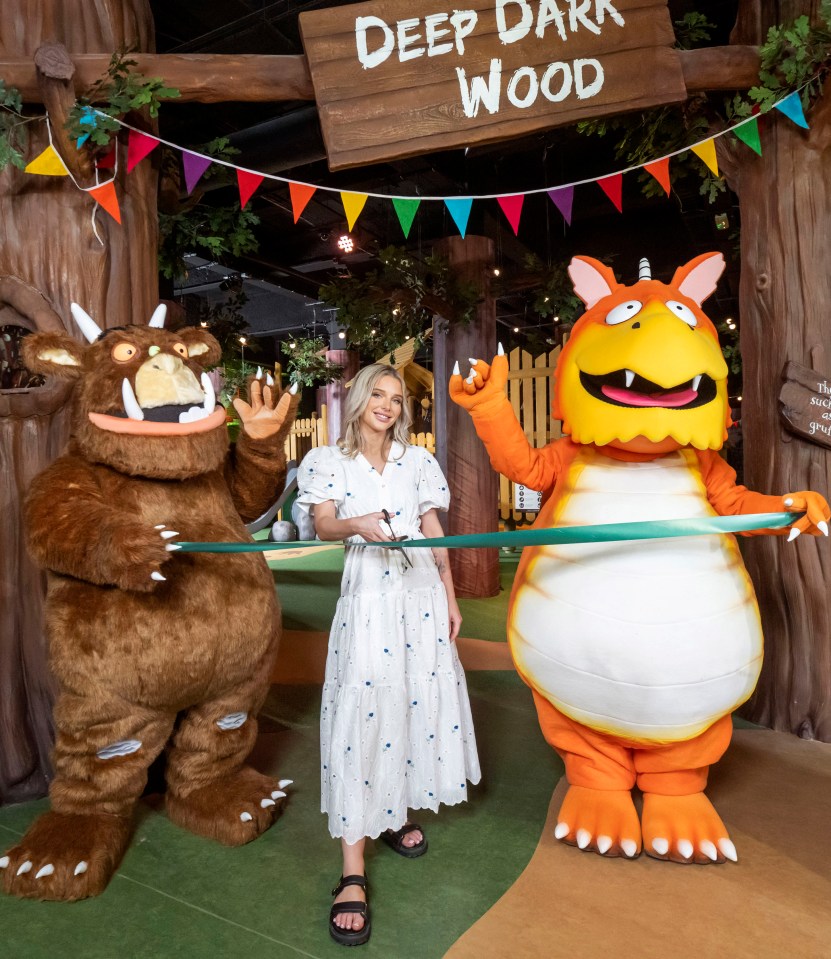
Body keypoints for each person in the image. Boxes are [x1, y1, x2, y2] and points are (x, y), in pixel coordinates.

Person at [296, 364, 481, 947]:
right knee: (361, 716)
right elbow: (323, 525)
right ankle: (352, 871)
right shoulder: (328, 460)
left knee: (412, 706)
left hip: (421, 598)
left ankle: (396, 813)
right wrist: (358, 524)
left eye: (397, 399)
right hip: (371, 602)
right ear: (357, 399)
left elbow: (433, 532)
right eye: (377, 394)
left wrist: (450, 598)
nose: (387, 405)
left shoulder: (418, 463)